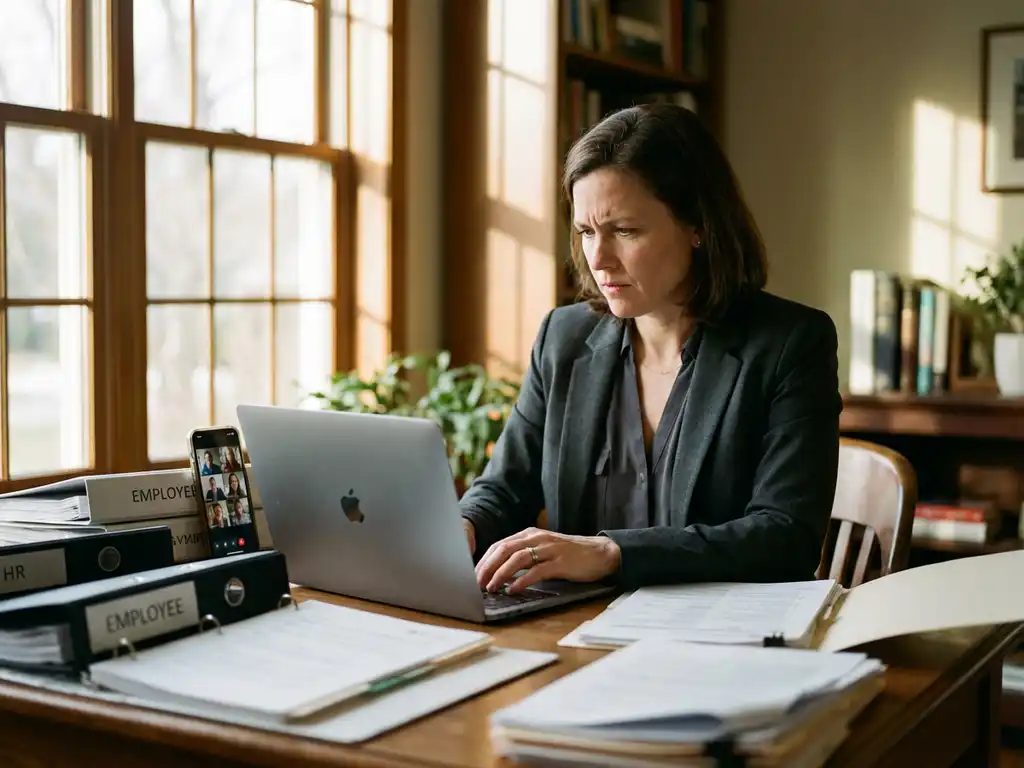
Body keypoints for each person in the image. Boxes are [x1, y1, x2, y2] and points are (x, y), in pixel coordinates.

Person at [460, 103, 842, 596]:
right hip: (576, 633)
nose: (598, 258)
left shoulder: (791, 343)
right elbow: (504, 489)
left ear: (698, 226)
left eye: (625, 231)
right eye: (585, 232)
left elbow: (786, 536)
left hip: (721, 641)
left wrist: (612, 554)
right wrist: (463, 526)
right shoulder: (563, 337)